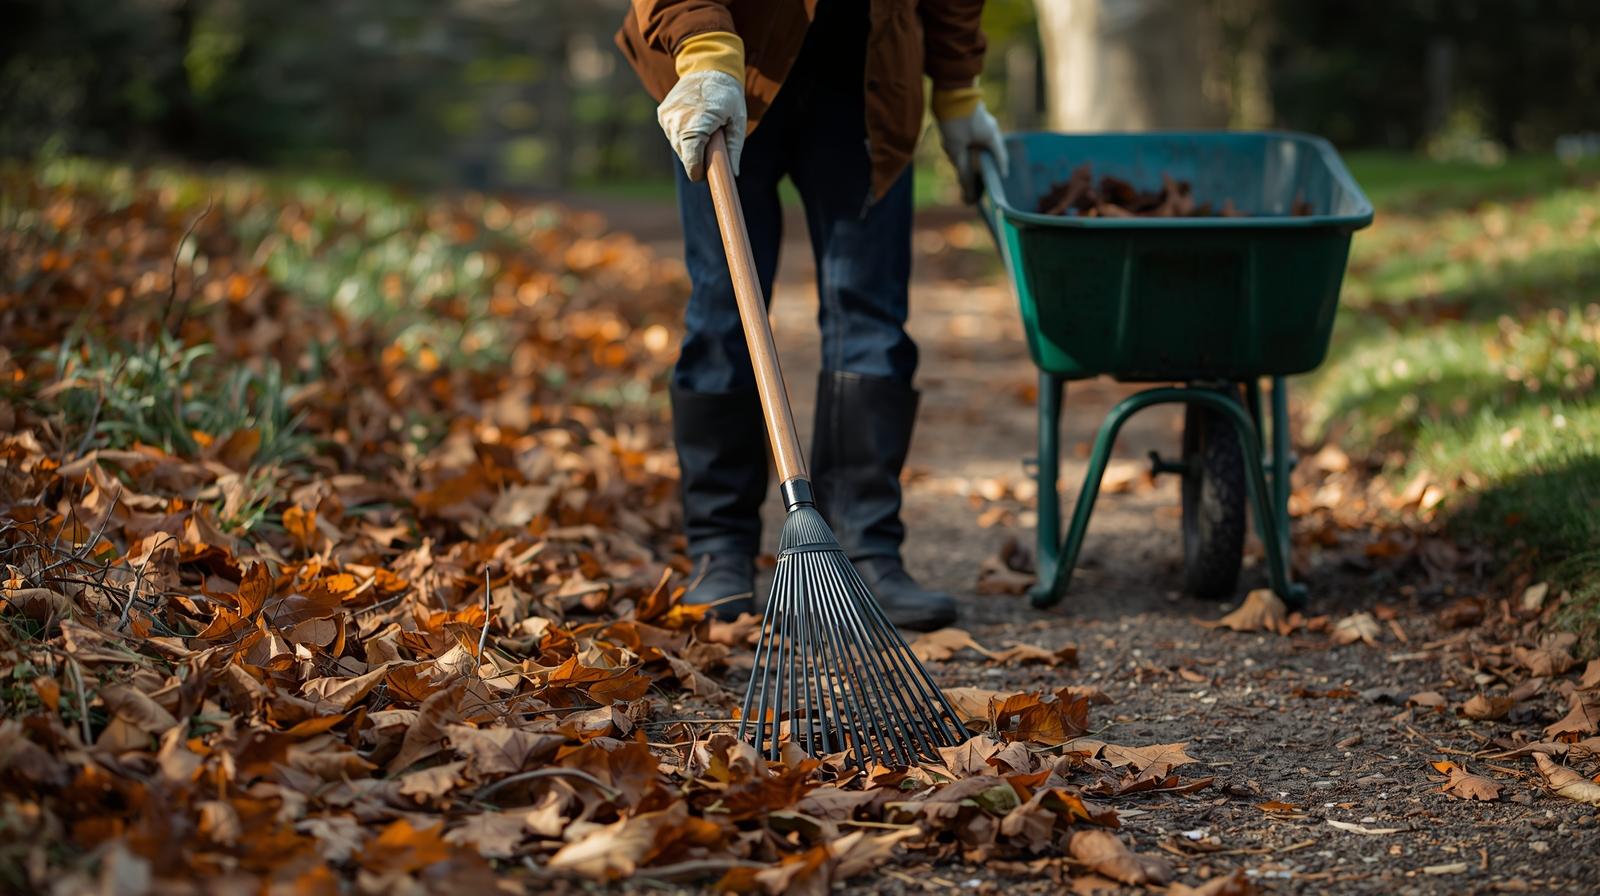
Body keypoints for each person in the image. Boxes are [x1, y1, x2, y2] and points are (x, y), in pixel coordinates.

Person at [616, 0, 1007, 631]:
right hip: (726, 57)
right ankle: (721, 549)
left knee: (872, 319)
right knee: (723, 313)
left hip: (867, 75)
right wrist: (704, 48)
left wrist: (958, 85)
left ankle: (864, 550)